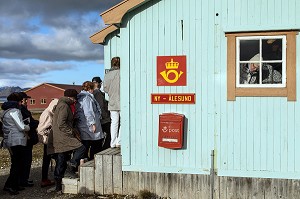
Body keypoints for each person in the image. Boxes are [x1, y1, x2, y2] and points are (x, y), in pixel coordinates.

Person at [49, 89, 85, 192]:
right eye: (74, 98)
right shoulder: (64, 106)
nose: (75, 101)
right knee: (81, 148)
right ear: (71, 97)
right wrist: (72, 132)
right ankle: (72, 164)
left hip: (59, 136)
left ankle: (59, 187)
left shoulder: (61, 104)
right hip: (63, 137)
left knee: (61, 161)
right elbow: (61, 123)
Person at [1, 93, 30, 195]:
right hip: (17, 140)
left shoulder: (5, 111)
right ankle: (10, 185)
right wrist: (28, 127)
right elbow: (21, 126)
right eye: (21, 101)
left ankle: (13, 184)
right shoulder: (15, 111)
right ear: (18, 101)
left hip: (9, 140)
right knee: (17, 164)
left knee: (16, 163)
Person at [76, 81, 104, 160]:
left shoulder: (81, 97)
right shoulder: (87, 98)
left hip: (84, 124)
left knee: (86, 144)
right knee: (95, 144)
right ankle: (93, 161)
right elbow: (88, 111)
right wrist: (93, 123)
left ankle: (83, 162)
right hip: (89, 125)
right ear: (90, 89)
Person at [18, 92, 39, 188]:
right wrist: (35, 123)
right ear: (21, 100)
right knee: (25, 160)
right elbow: (26, 124)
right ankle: (22, 180)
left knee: (26, 160)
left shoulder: (23, 109)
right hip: (26, 138)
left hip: (27, 138)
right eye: (26, 99)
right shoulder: (21, 110)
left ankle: (24, 179)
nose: (27, 101)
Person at [37, 98, 58, 188]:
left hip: (49, 139)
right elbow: (41, 129)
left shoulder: (49, 112)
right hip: (48, 140)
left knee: (47, 159)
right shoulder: (48, 114)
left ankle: (45, 179)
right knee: (51, 158)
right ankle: (47, 179)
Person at [104, 57, 121, 148]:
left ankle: (113, 142)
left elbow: (105, 89)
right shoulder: (121, 73)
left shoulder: (107, 75)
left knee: (114, 122)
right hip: (122, 100)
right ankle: (119, 141)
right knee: (123, 122)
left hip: (112, 101)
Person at [92, 76, 111, 151]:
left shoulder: (92, 93)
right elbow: (101, 106)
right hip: (103, 119)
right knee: (110, 133)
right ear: (99, 83)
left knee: (98, 137)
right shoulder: (97, 93)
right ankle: (105, 148)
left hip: (97, 118)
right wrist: (106, 116)